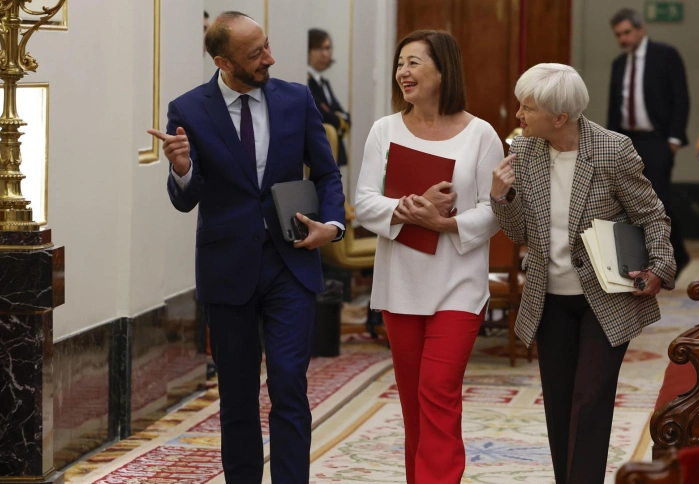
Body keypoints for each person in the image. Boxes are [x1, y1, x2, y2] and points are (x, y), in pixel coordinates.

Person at [148, 11, 346, 483]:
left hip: (290, 264)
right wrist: (180, 170)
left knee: (288, 387)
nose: (269, 59)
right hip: (226, 269)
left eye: (267, 46)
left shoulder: (297, 100)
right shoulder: (189, 110)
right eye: (256, 54)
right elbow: (186, 198)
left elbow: (327, 173)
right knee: (237, 396)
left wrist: (332, 225)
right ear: (223, 60)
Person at [491, 63, 675, 484]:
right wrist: (501, 197)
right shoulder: (524, 152)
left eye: (528, 107)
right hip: (548, 298)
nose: (518, 115)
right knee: (558, 404)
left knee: (590, 402)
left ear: (560, 117)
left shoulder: (613, 150)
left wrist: (660, 267)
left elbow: (652, 215)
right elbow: (518, 231)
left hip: (606, 297)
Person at [355, 30, 502, 484]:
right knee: (413, 403)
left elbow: (495, 210)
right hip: (400, 283)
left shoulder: (481, 134)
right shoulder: (384, 129)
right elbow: (363, 202)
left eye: (415, 62)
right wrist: (406, 208)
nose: (404, 71)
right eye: (401, 63)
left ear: (443, 71)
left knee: (438, 392)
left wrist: (445, 224)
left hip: (458, 283)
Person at [606, 7, 690, 276]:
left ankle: (669, 261)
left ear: (641, 29)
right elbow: (613, 108)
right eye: (618, 34)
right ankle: (645, 260)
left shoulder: (665, 55)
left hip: (657, 142)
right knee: (627, 204)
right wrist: (608, 143)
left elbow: (680, 98)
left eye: (627, 32)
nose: (623, 39)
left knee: (659, 202)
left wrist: (674, 140)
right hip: (626, 142)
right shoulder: (618, 64)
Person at [307, 28, 351, 167]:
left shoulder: (323, 82)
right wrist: (337, 119)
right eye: (319, 48)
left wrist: (338, 117)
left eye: (327, 48)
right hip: (318, 153)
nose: (325, 54)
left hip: (334, 151)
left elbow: (345, 116)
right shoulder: (306, 81)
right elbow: (321, 113)